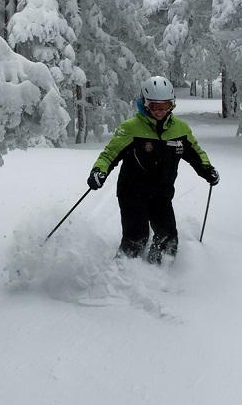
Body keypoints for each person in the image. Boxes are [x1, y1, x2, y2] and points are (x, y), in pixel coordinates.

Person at [86, 76, 219, 265]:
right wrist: (99, 172)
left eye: (166, 106)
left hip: (161, 193)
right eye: (156, 106)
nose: (161, 111)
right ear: (144, 103)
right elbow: (109, 154)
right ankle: (121, 273)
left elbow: (196, 153)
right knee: (137, 237)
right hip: (132, 192)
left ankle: (158, 273)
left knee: (169, 238)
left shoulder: (180, 129)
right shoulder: (131, 129)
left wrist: (207, 169)